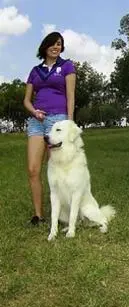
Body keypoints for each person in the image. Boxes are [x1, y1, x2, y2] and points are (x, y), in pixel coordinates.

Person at [23, 31, 76, 225]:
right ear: (45, 46)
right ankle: (38, 215)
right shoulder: (35, 71)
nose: (56, 47)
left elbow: (71, 96)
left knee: (59, 170)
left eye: (59, 44)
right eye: (53, 43)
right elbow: (26, 101)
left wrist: (69, 123)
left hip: (58, 121)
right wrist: (34, 112)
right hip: (37, 121)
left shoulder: (67, 66)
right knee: (33, 169)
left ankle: (64, 213)